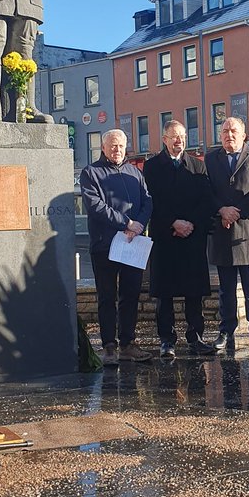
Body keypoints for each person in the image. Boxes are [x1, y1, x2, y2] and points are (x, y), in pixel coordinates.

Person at [80, 129, 153, 366]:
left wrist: (138, 225)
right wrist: (126, 222)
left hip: (132, 243)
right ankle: (109, 346)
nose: (117, 150)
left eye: (121, 145)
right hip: (105, 245)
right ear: (103, 147)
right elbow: (95, 206)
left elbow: (147, 201)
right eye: (112, 146)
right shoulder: (91, 173)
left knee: (130, 295)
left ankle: (128, 344)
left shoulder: (134, 172)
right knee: (107, 297)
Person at [143, 120, 216, 358]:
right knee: (165, 293)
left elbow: (206, 200)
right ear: (164, 139)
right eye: (174, 137)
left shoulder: (197, 165)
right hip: (166, 237)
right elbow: (152, 201)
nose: (179, 141)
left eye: (182, 136)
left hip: (192, 237)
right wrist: (173, 223)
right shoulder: (152, 167)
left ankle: (195, 336)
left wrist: (191, 224)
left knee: (193, 292)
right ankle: (167, 339)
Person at [204, 117, 249, 354]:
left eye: (233, 131)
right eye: (224, 131)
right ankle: (226, 329)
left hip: (248, 231)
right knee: (226, 288)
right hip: (222, 231)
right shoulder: (211, 158)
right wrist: (222, 210)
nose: (229, 135)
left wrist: (235, 213)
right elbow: (207, 190)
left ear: (244, 135)